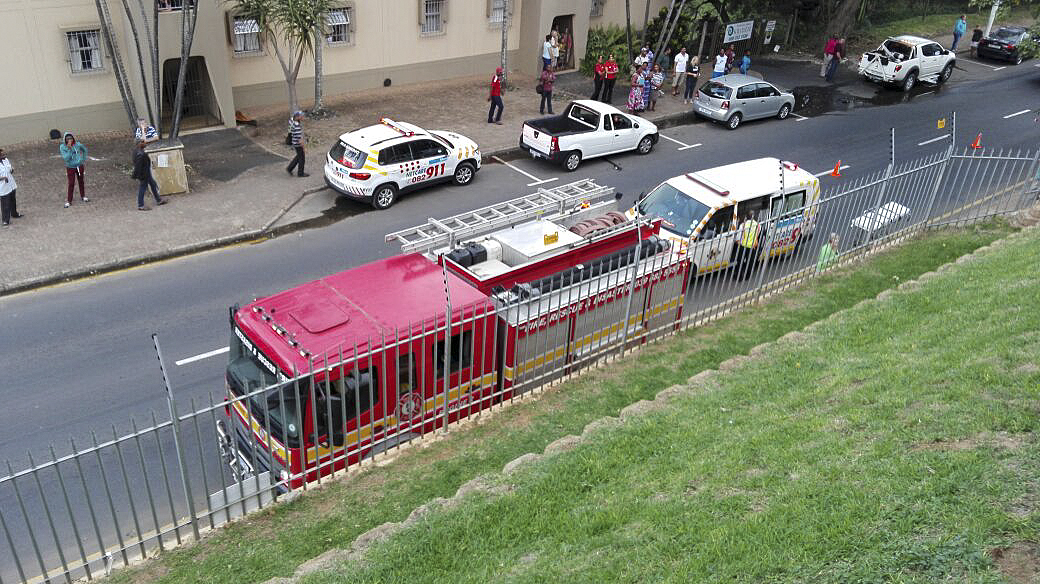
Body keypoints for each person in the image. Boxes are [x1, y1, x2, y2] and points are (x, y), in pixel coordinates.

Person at [131, 140, 167, 211]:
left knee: (153, 184)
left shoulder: (137, 151)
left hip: (146, 173)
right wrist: (137, 175)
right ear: (139, 144)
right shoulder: (140, 154)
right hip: (144, 175)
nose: (145, 143)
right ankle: (140, 205)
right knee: (142, 188)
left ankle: (158, 200)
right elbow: (138, 167)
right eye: (143, 142)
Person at [59, 132, 89, 208]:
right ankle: (69, 201)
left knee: (81, 181)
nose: (70, 140)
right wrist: (69, 149)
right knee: (71, 183)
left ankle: (83, 196)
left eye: (71, 138)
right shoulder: (62, 147)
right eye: (68, 139)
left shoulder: (77, 144)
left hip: (79, 166)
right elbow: (66, 158)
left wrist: (83, 159)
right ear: (65, 140)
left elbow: (84, 149)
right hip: (70, 167)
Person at [0, 148, 23, 226]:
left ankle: (14, 213)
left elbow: (9, 168)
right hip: (3, 186)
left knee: (13, 200)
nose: (4, 155)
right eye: (2, 154)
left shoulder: (5, 160)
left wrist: (12, 170)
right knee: (5, 203)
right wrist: (3, 178)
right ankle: (5, 220)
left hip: (11, 183)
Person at [736, 209, 761, 279]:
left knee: (740, 262)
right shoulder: (758, 225)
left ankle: (739, 277)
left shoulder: (743, 225)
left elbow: (738, 237)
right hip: (752, 247)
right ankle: (747, 276)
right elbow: (757, 235)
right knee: (750, 263)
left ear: (746, 217)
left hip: (743, 246)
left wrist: (738, 242)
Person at [286, 111, 308, 177]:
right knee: (302, 159)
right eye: (301, 116)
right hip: (298, 144)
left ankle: (289, 168)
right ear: (297, 117)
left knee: (298, 156)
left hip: (294, 142)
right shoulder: (297, 126)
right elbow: (300, 140)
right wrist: (304, 148)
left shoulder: (291, 122)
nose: (302, 117)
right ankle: (300, 173)